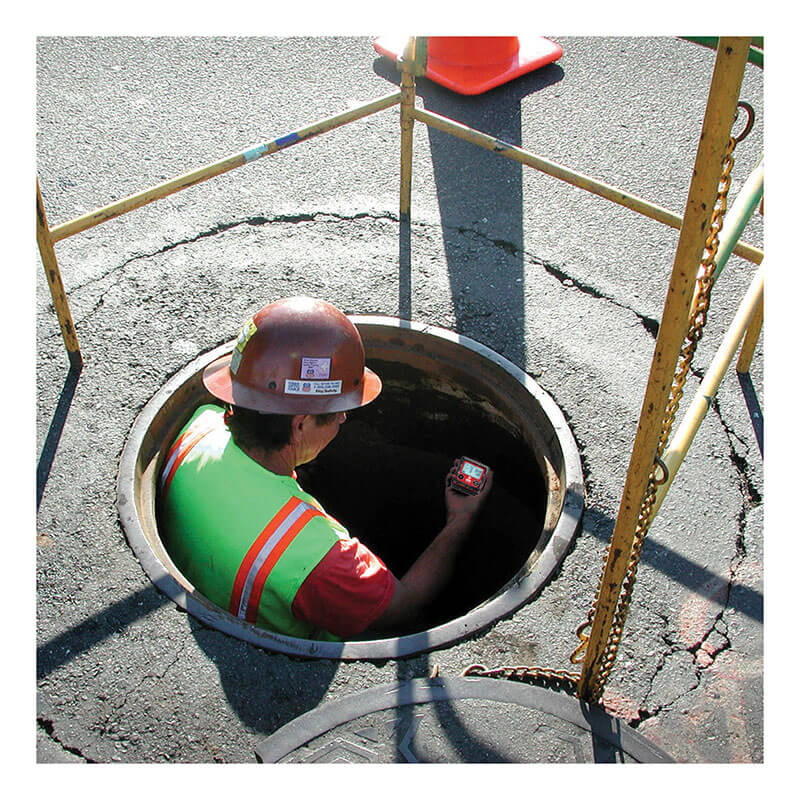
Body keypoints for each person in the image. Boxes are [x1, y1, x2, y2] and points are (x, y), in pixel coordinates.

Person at [159, 296, 493, 640]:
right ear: (300, 425)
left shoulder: (200, 426)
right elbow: (403, 607)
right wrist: (460, 518)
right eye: (337, 414)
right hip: (279, 663)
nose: (344, 419)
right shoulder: (317, 557)